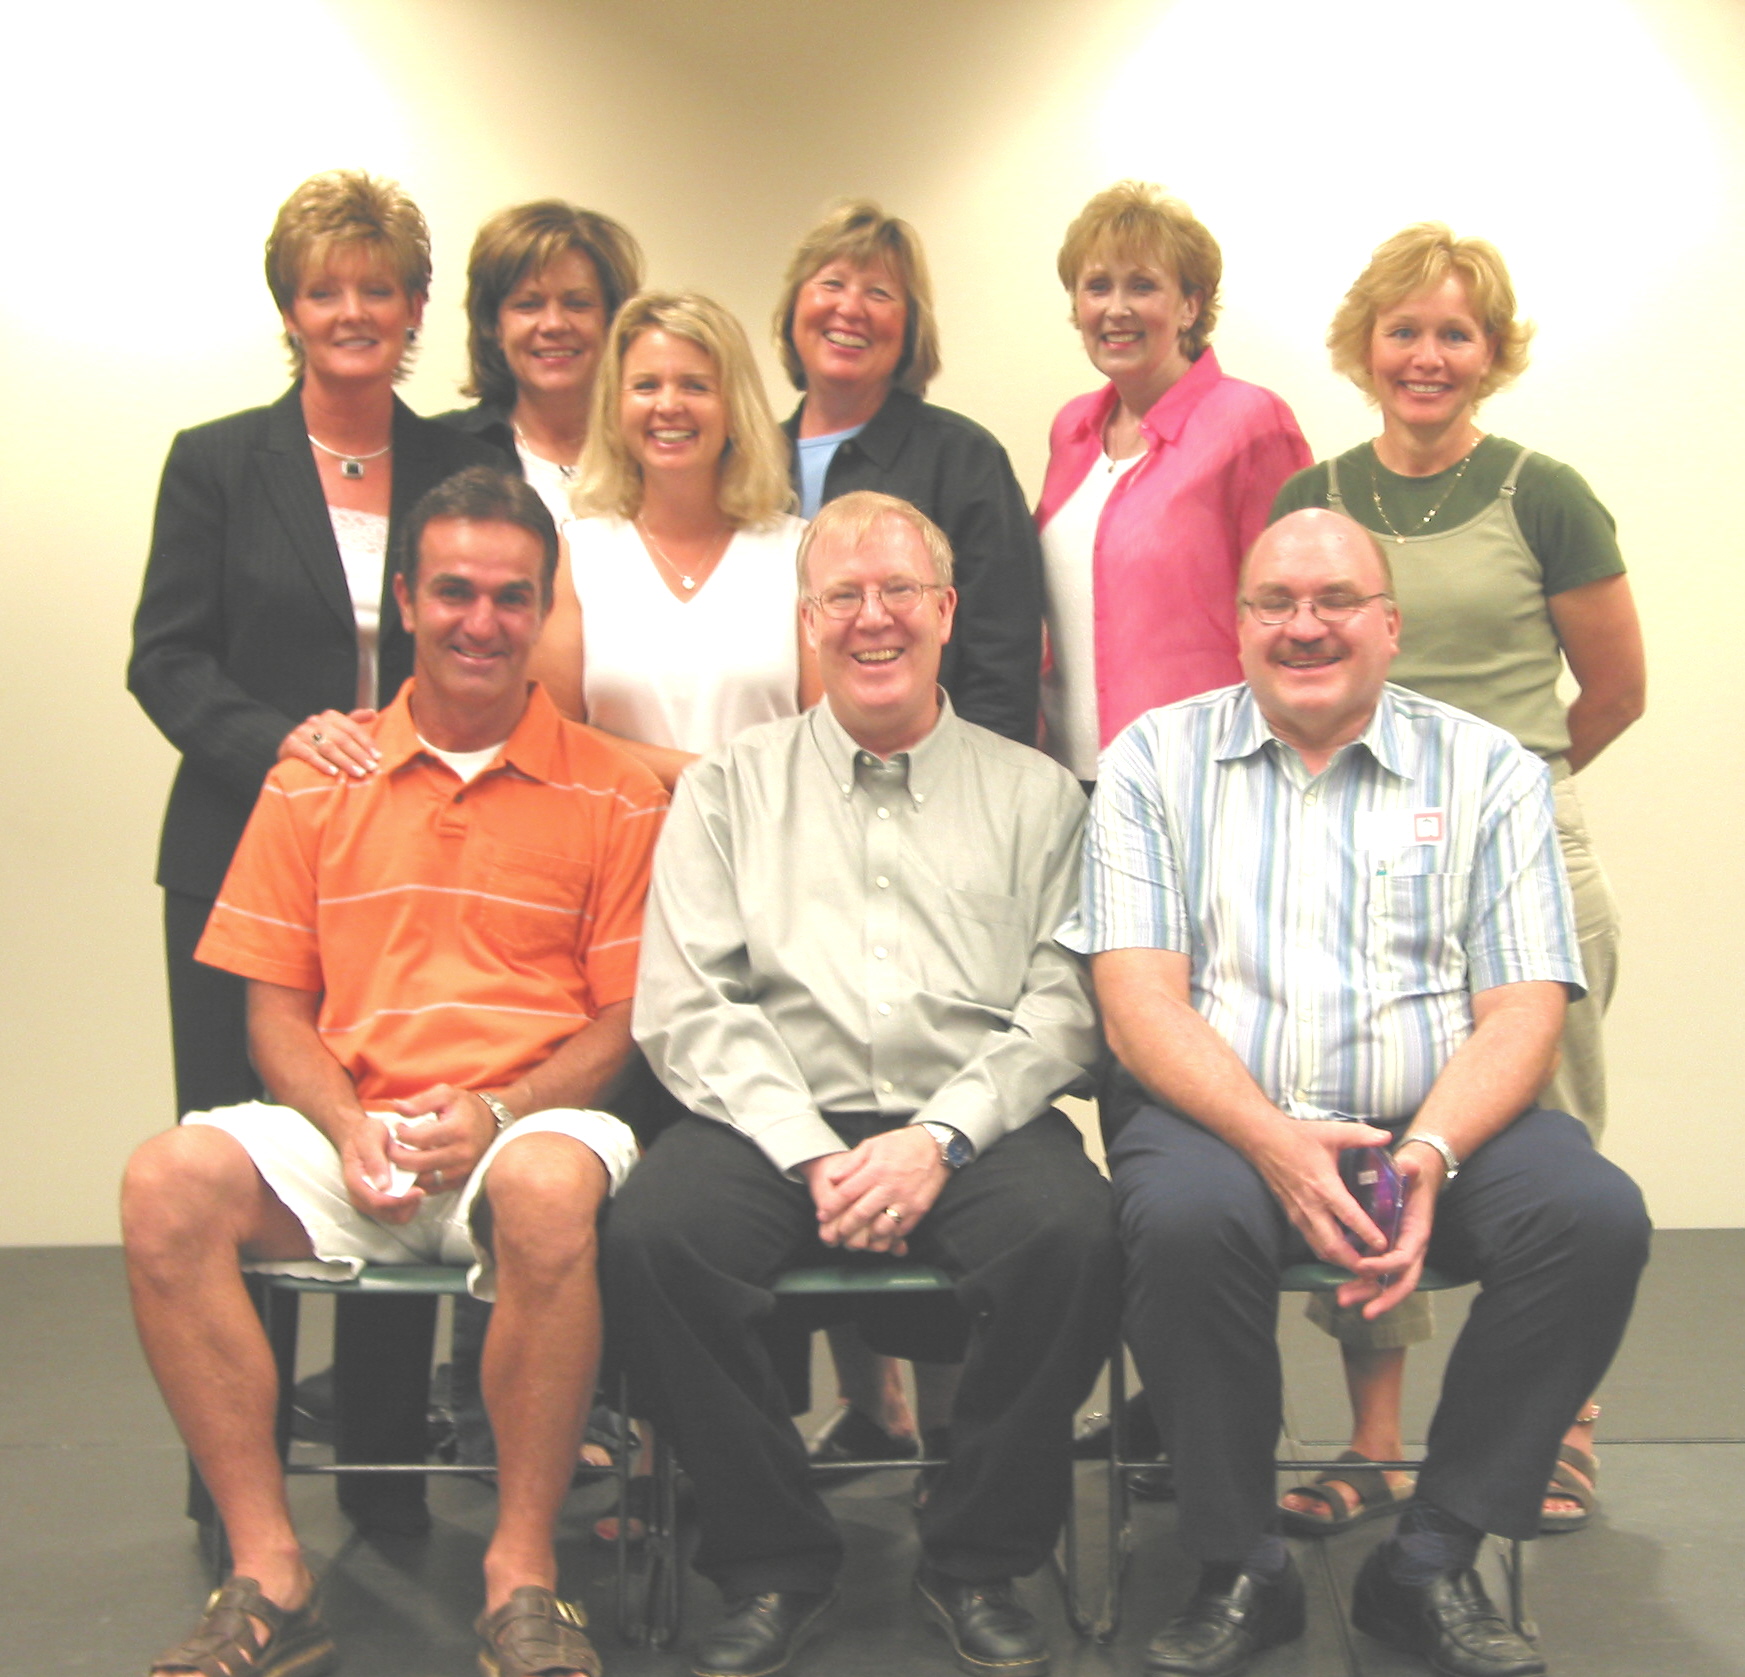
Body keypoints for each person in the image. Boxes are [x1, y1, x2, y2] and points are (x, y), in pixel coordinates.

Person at [1061, 508, 1648, 1677]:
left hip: (1437, 1127)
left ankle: (1428, 1559)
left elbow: (1524, 1008)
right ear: (1237, 625)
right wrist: (1270, 1141)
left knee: (1592, 1218)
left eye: (1334, 601)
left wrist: (1427, 1153)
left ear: (1388, 625)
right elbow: (1136, 1004)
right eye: (1273, 602)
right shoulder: (1150, 762)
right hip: (1221, 1124)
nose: (1303, 625)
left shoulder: (1487, 769)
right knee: (1175, 1223)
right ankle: (1240, 1566)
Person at [123, 467, 668, 1677]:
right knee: (165, 1181)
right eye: (455, 591)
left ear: (543, 610)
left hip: (529, 1123)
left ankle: (521, 1577)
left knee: (547, 1191)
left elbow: (626, 1020)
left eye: (512, 597)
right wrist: (344, 1122)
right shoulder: (312, 778)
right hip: (351, 1130)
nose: (483, 621)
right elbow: (274, 1014)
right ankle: (269, 1572)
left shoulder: (615, 789)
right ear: (407, 599)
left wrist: (499, 1109)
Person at [605, 492, 1119, 1677]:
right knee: (654, 1241)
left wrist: (936, 1139)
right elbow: (687, 1001)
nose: (871, 617)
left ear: (946, 611)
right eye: (842, 595)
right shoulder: (726, 789)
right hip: (771, 1117)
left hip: (972, 1118)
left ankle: (977, 1557)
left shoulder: (1037, 794)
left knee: (1075, 1238)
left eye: (898, 592)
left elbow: (1062, 1005)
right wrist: (809, 1149)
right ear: (807, 622)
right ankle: (770, 1557)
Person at [127, 168, 505, 1531]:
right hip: (238, 850)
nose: (351, 311)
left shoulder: (461, 461)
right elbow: (165, 660)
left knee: (389, 1138)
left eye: (376, 288)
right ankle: (234, 1491)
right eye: (324, 288)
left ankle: (383, 1474)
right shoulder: (216, 460)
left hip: (409, 862)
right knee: (236, 1162)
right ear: (289, 307)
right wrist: (283, 740)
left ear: (413, 308)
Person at [1269, 224, 1646, 1539]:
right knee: (1365, 1134)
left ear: (1491, 353)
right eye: (1404, 330)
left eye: (1454, 333)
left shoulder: (1545, 493)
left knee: (1555, 1144)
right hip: (1356, 855)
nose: (1425, 355)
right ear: (1364, 345)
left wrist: (1497, 795)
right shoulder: (1313, 493)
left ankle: (1555, 1426)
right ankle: (1374, 1442)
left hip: (1527, 847)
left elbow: (1614, 691)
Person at [1035, 181, 1310, 780]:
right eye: (1098, 286)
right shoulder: (1070, 431)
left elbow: (1295, 619)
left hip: (1204, 779)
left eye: (1142, 286)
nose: (1116, 309)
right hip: (1069, 779)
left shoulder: (1250, 423)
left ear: (1190, 305)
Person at [774, 200, 1042, 747]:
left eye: (879, 293)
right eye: (831, 283)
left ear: (910, 327)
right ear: (794, 307)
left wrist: (975, 785)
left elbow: (1002, 669)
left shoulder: (964, 460)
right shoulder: (745, 464)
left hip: (932, 775)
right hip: (776, 776)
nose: (850, 308)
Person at [531, 291, 817, 790]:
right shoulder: (575, 555)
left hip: (769, 832)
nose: (668, 406)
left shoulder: (801, 552)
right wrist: (706, 778)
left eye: (695, 386)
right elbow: (551, 734)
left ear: (734, 407)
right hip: (623, 834)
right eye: (645, 386)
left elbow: (831, 737)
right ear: (615, 406)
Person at [439, 199, 645, 528]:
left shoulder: (653, 452)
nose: (554, 324)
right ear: (494, 325)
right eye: (528, 304)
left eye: (577, 304)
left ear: (612, 320)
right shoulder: (442, 451)